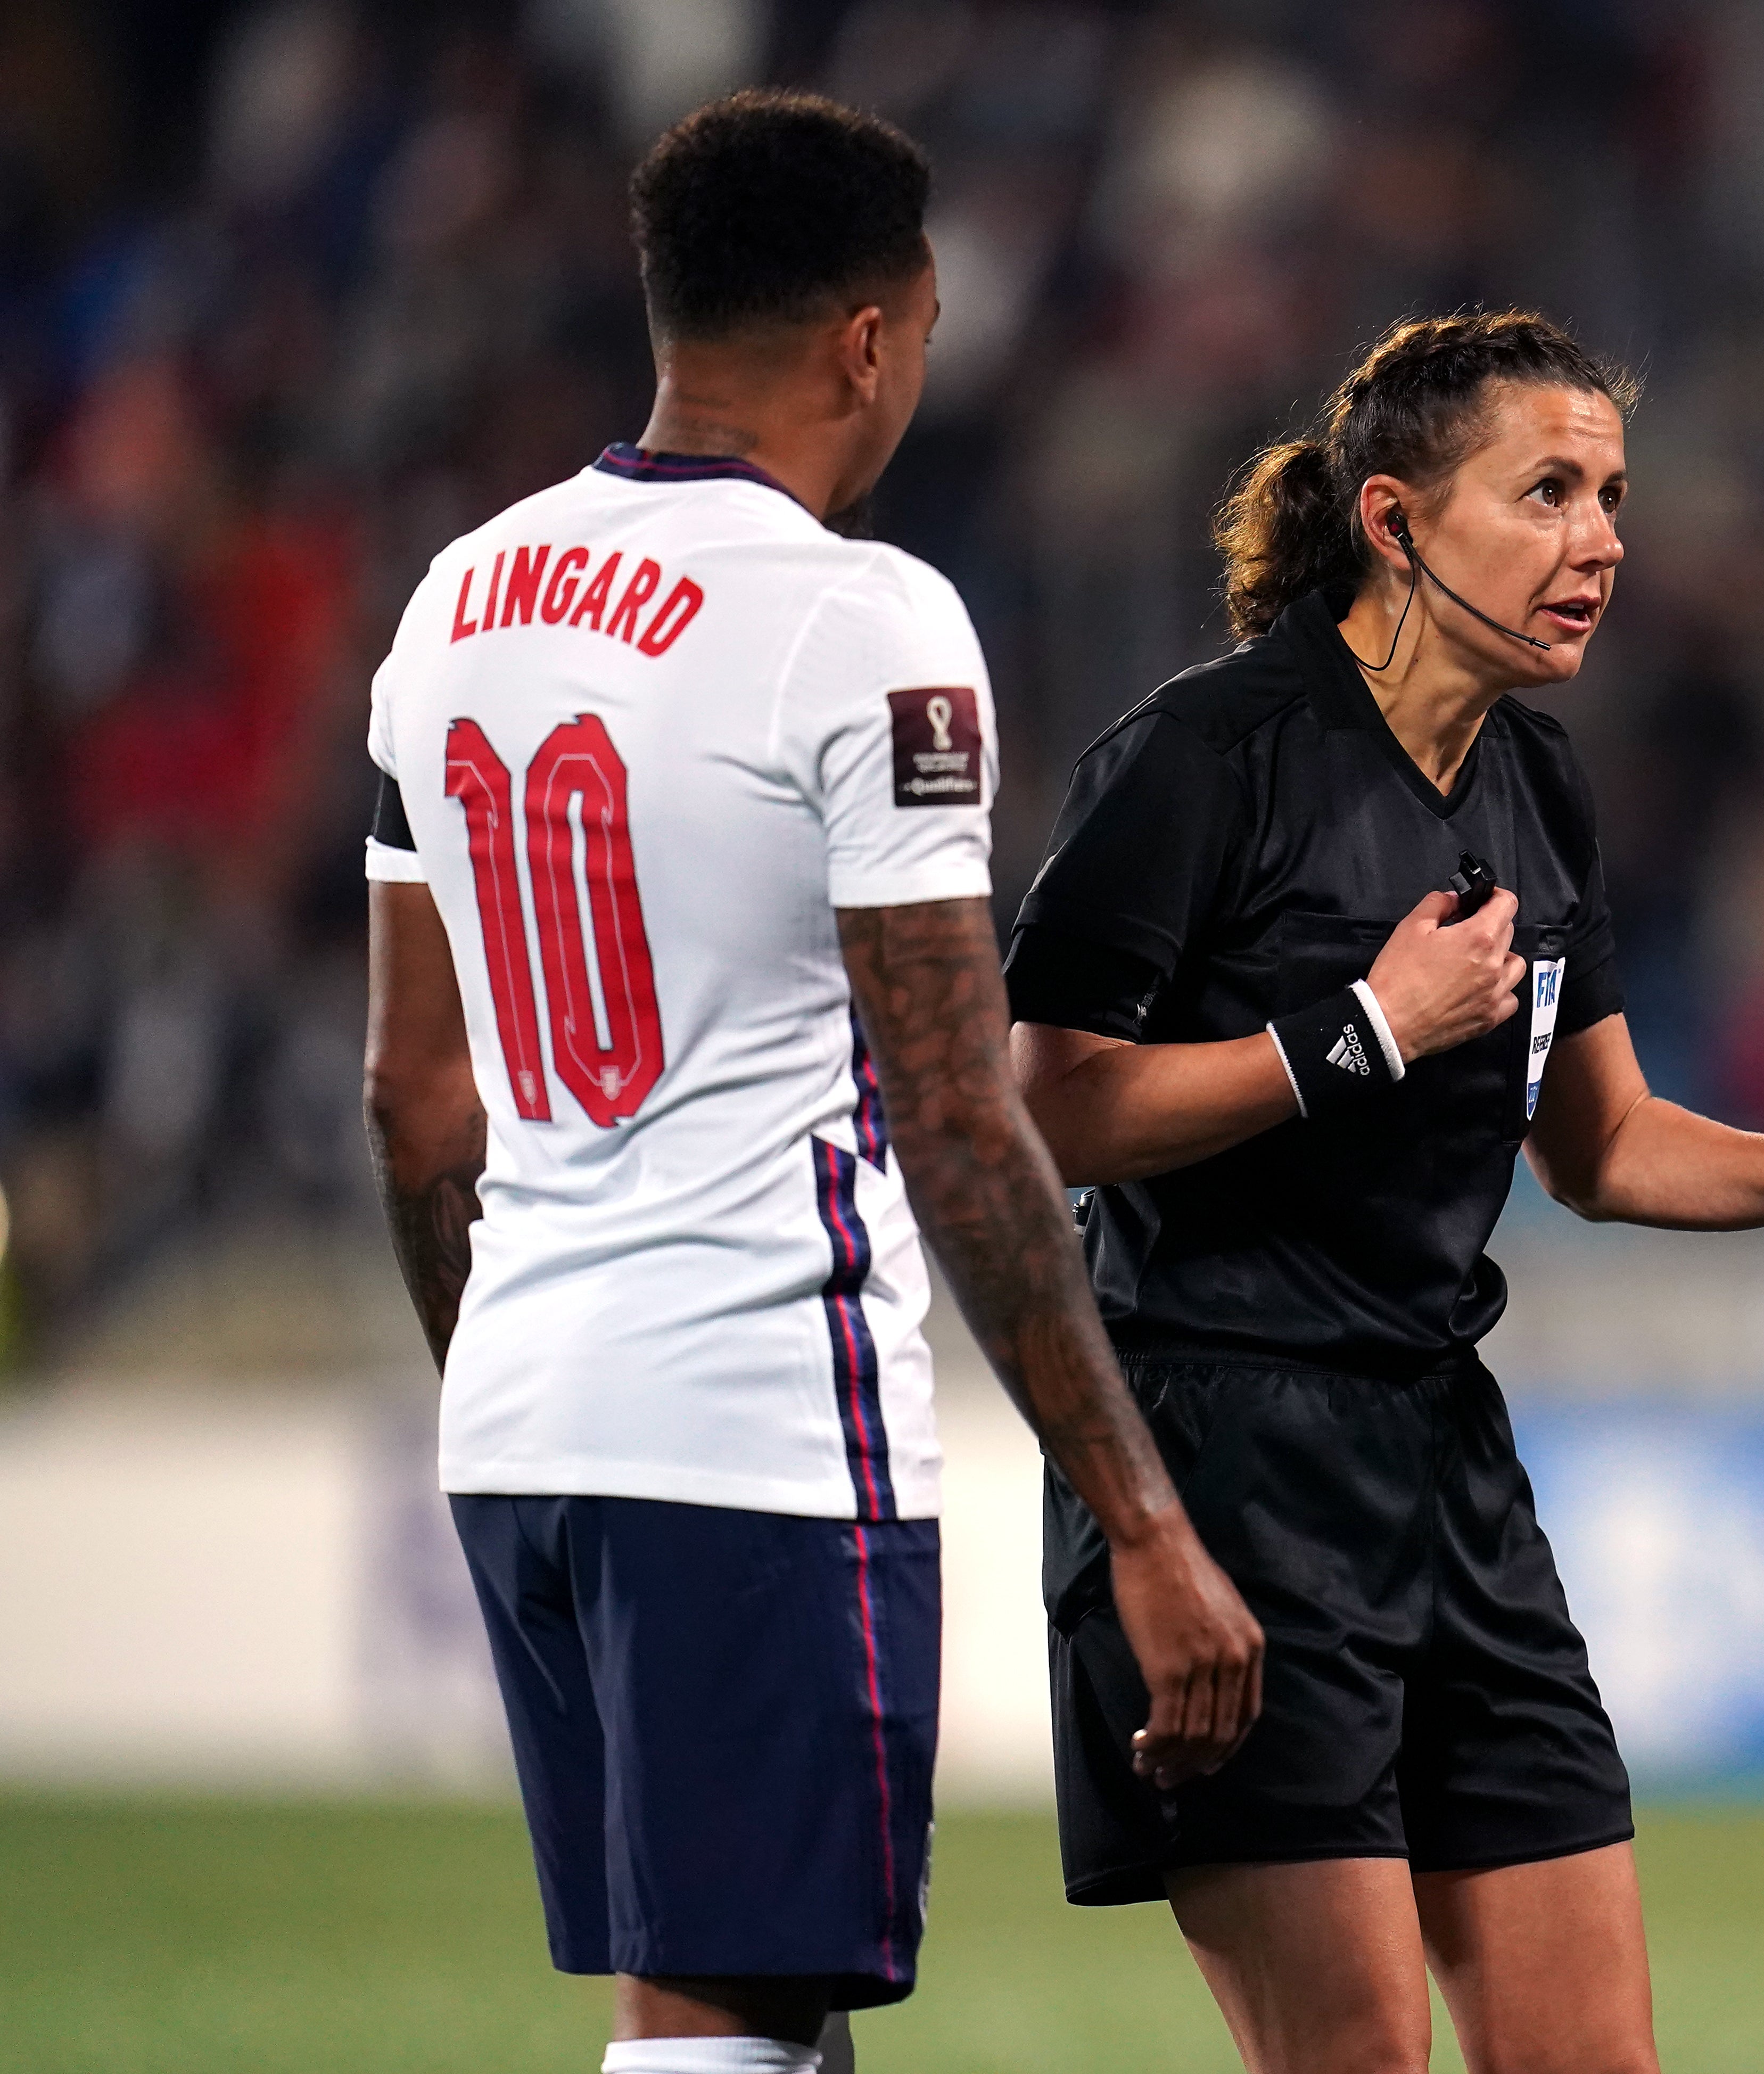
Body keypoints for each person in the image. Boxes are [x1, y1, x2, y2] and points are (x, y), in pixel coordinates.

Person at [1002, 309, 1764, 2073]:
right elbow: (1046, 1111)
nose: (1604, 539)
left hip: (1446, 1469)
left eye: (1613, 495)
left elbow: (1604, 1144)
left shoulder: (1537, 781)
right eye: (1546, 492)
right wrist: (1362, 1032)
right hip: (1217, 1457)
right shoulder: (1203, 762)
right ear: (1393, 522)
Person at [359, 90, 1260, 2074]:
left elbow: (415, 1100)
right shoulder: (863, 620)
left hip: (524, 1421)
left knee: (739, 2004)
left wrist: (536, 1383)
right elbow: (956, 1111)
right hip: (753, 1423)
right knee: (725, 2027)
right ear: (874, 334)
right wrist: (1148, 1526)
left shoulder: (449, 607)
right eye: (927, 333)